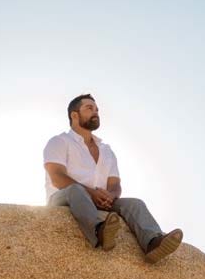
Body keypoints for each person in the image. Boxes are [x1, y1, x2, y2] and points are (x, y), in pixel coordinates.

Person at [44, 93, 183, 264]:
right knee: (76, 190)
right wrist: (91, 193)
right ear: (74, 115)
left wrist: (111, 196)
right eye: (89, 108)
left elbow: (115, 184)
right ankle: (99, 231)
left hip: (99, 200)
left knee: (135, 203)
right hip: (66, 197)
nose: (95, 112)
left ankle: (152, 242)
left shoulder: (106, 150)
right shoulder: (59, 141)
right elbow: (57, 177)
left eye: (97, 109)